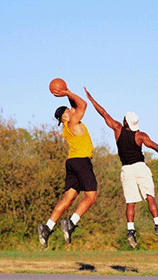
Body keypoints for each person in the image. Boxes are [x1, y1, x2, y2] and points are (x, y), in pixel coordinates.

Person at [84, 87, 158, 248]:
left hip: (126, 169)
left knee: (131, 202)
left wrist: (91, 100)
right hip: (141, 167)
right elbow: (156, 147)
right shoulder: (140, 135)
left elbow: (104, 113)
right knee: (150, 196)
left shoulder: (118, 129)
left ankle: (131, 231)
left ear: (125, 121)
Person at [38, 87, 98, 248]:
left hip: (71, 162)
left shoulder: (66, 126)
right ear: (65, 116)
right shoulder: (72, 121)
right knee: (91, 197)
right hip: (81, 161)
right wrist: (68, 92)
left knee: (68, 198)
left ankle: (47, 227)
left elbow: (75, 106)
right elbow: (83, 105)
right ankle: (71, 223)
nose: (72, 111)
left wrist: (67, 93)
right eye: (68, 111)